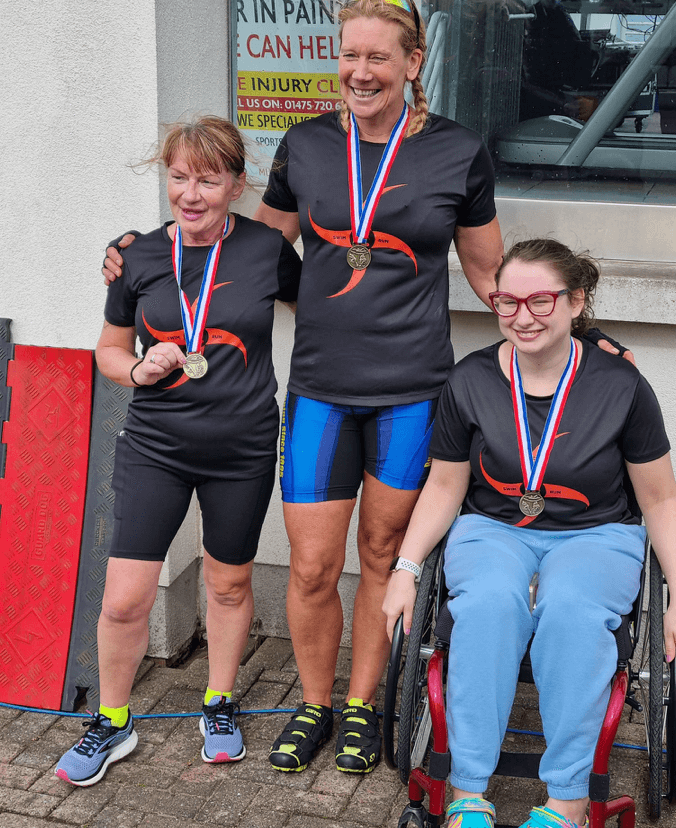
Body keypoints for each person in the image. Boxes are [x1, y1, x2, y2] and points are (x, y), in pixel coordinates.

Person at [101, 0, 629, 777]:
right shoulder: (308, 145)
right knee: (313, 567)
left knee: (382, 555)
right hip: (320, 390)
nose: (359, 71)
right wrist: (141, 252)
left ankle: (362, 706)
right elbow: (251, 245)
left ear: (413, 63)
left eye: (379, 57)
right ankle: (315, 703)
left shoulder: (458, 152)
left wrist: (576, 329)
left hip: (412, 394)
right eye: (349, 55)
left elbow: (490, 271)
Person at [382, 238, 676, 828]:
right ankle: (467, 791)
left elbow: (660, 498)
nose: (523, 317)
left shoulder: (621, 385)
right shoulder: (470, 379)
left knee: (572, 611)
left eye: (541, 301)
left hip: (596, 533)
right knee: (487, 606)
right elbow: (444, 487)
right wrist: (406, 569)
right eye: (507, 302)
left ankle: (567, 799)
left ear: (576, 301)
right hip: (493, 529)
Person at [55, 116, 301, 787]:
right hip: (155, 447)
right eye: (179, 177)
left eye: (208, 180)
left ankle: (218, 703)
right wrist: (138, 369)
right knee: (123, 599)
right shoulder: (135, 256)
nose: (191, 194)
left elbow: (323, 312)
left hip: (243, 447)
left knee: (229, 583)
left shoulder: (267, 249)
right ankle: (113, 721)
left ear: (237, 185)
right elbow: (109, 349)